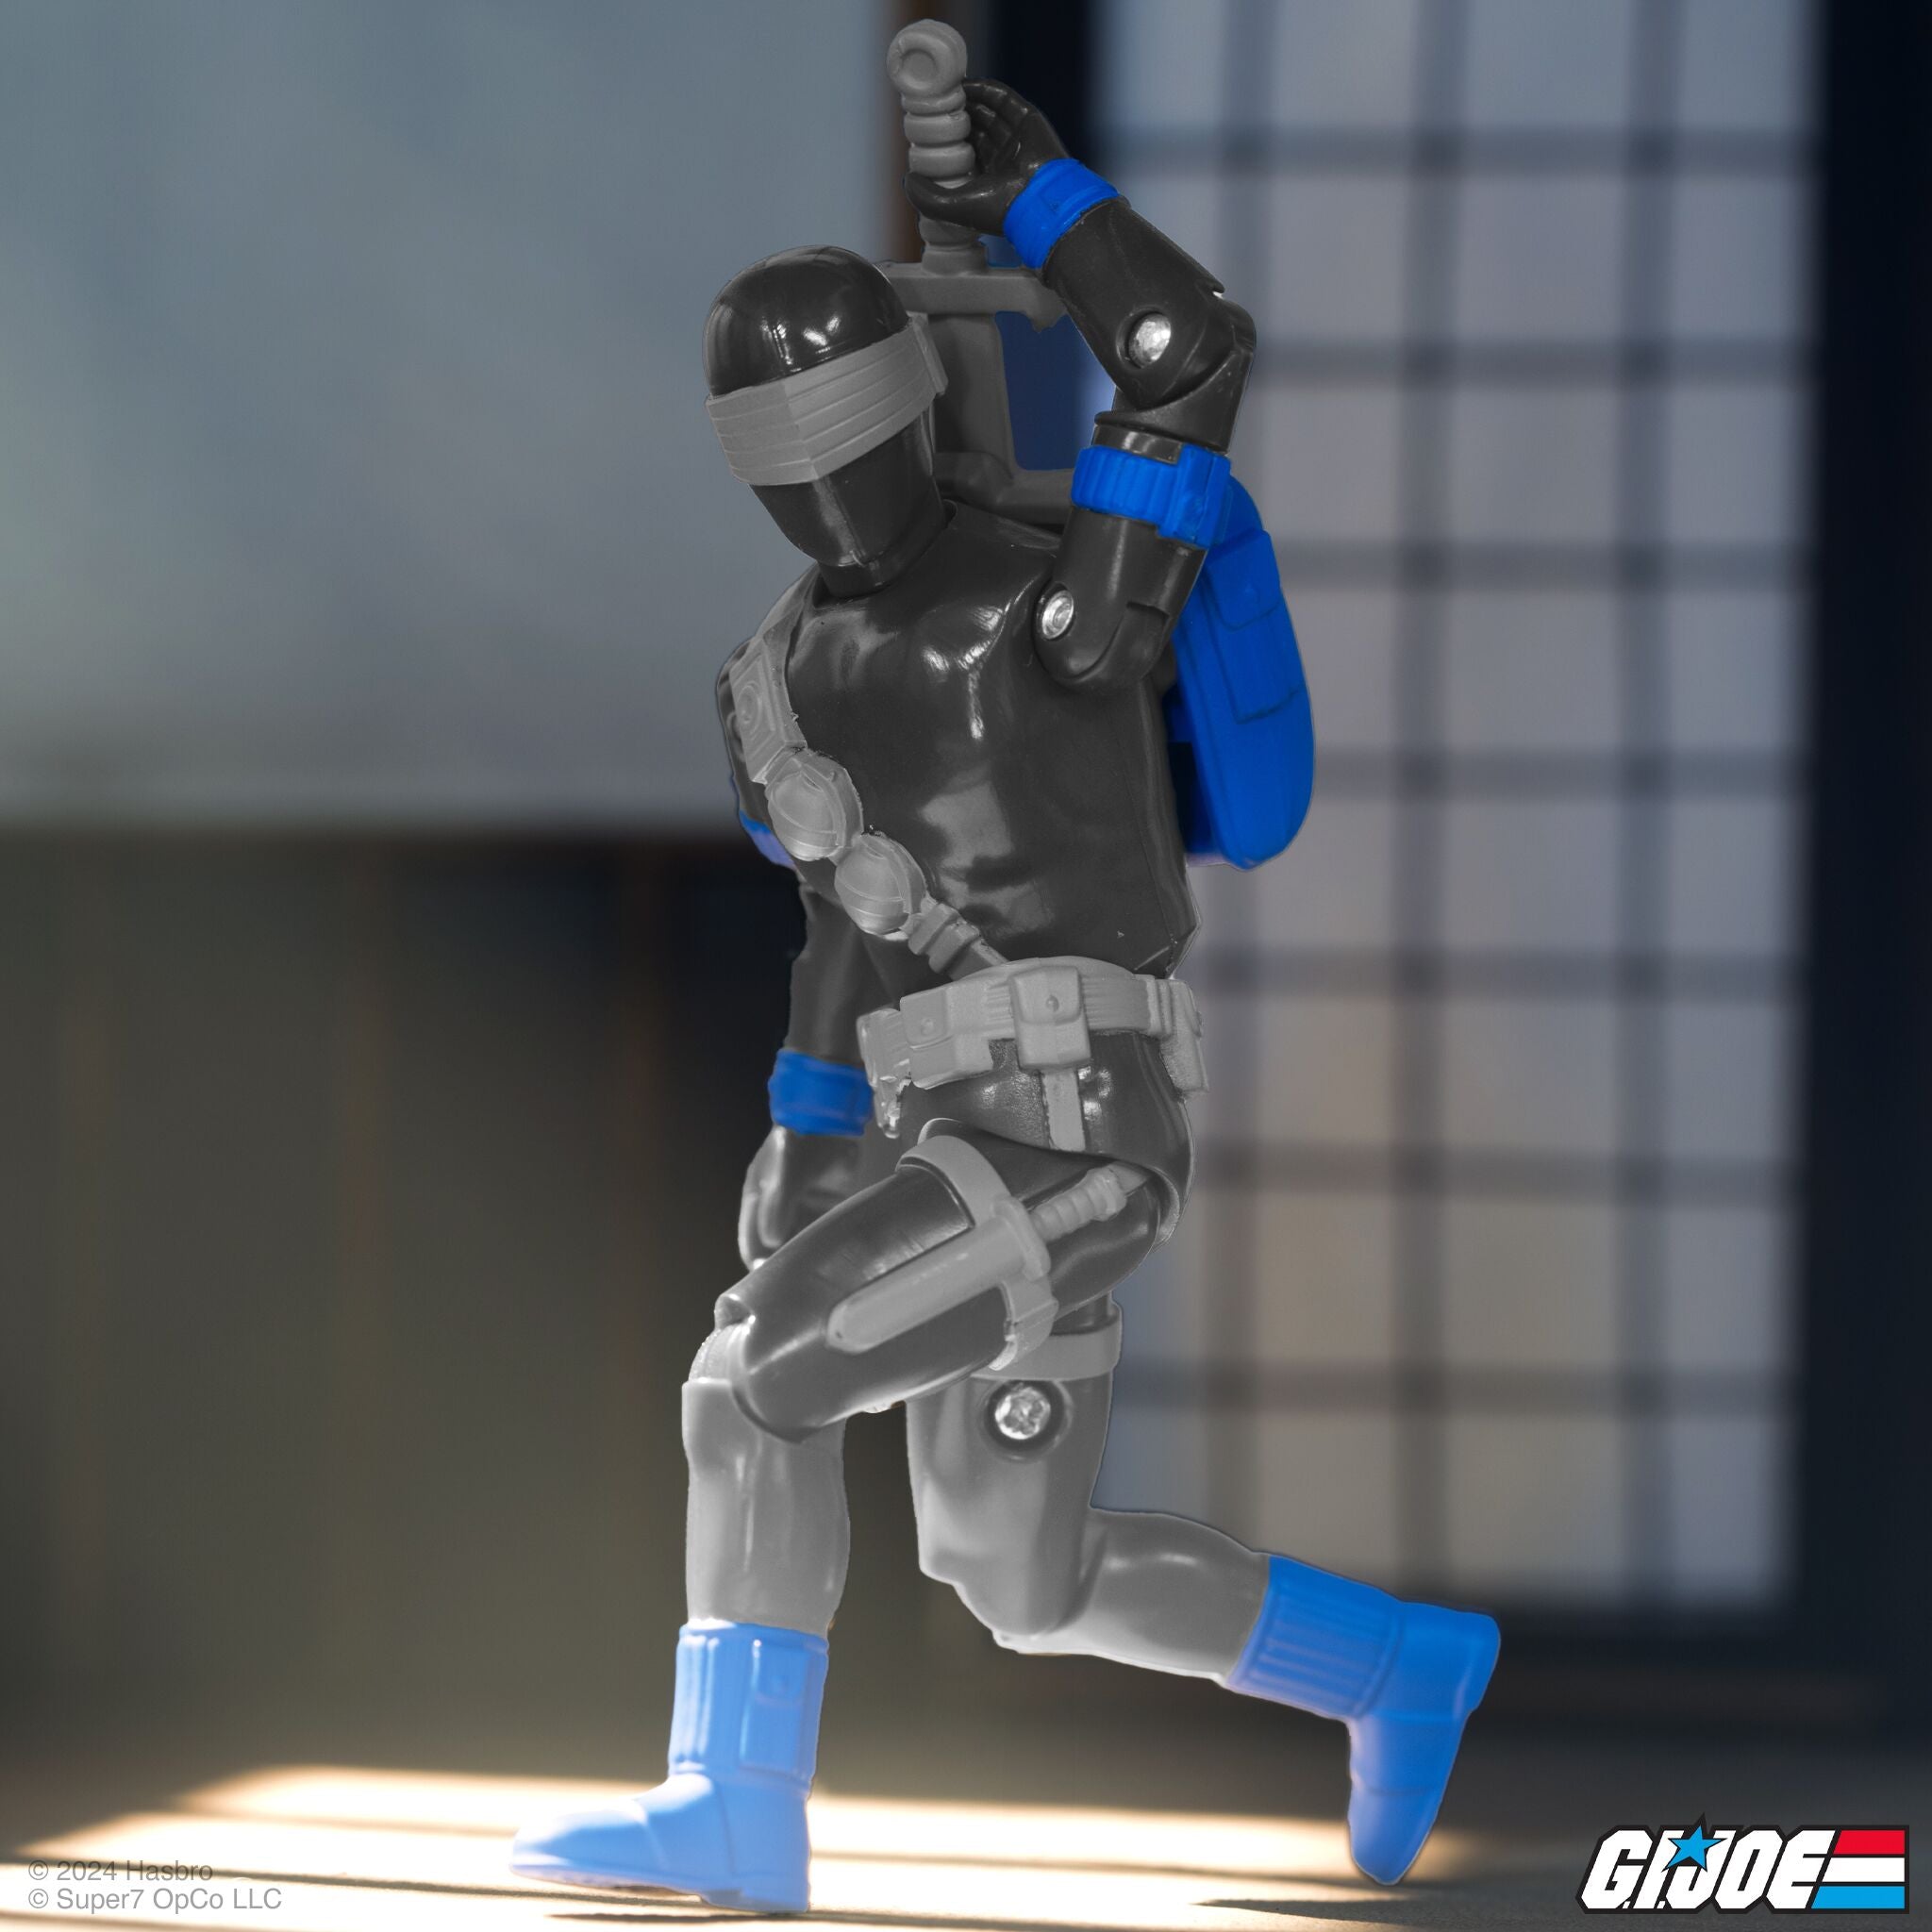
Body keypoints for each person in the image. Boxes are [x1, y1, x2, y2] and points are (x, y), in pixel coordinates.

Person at [511, 76, 1497, 1916]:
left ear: (906, 401)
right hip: (946, 1149)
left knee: (753, 1381)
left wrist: (1045, 198)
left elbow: (1185, 350)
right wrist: (811, 1139)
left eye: (833, 420)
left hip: (1079, 1145)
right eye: (776, 441)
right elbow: (848, 926)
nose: (814, 473)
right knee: (1019, 1578)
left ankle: (732, 1801)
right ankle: (1398, 1668)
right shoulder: (776, 684)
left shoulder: (1060, 612)